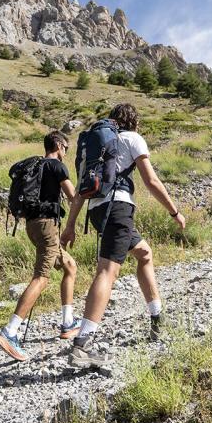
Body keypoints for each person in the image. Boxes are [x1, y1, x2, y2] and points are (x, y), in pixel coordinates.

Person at [61, 103, 186, 369]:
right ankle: (82, 345)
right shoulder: (132, 138)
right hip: (118, 208)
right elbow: (151, 181)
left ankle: (157, 318)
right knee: (107, 271)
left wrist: (70, 226)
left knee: (144, 253)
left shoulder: (96, 146)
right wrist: (174, 212)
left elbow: (81, 190)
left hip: (97, 211)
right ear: (134, 121)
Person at [0, 131, 82, 361]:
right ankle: (10, 331)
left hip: (32, 225)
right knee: (41, 277)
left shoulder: (36, 166)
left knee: (69, 266)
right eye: (66, 148)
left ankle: (68, 322)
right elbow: (73, 197)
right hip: (47, 226)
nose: (66, 152)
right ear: (59, 145)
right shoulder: (57, 166)